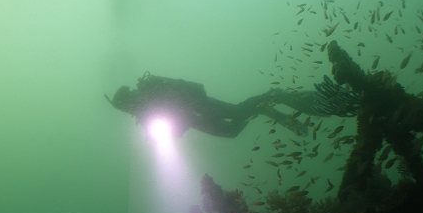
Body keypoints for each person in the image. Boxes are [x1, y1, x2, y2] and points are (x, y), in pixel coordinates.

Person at [108, 72, 361, 138]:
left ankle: (273, 96)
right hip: (195, 120)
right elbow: (171, 127)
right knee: (231, 132)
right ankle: (262, 108)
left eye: (125, 106)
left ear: (127, 99)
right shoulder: (143, 110)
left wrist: (184, 112)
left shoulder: (150, 91)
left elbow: (177, 99)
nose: (128, 110)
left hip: (199, 106)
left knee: (238, 112)